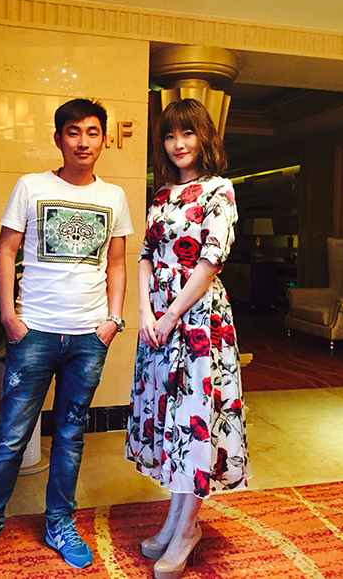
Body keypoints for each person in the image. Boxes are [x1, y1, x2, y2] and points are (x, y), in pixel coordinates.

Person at [0, 98, 133, 578]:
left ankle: (60, 523)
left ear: (104, 140)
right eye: (73, 132)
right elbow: (6, 250)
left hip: (88, 337)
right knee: (11, 437)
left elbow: (117, 262)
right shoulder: (31, 186)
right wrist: (9, 317)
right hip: (34, 332)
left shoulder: (114, 196)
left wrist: (113, 320)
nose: (83, 142)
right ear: (58, 139)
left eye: (92, 132)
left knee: (71, 436)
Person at [125, 99, 251, 579]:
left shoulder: (219, 190)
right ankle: (178, 520)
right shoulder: (162, 194)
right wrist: (145, 312)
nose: (178, 144)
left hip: (198, 321)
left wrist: (172, 314)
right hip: (158, 321)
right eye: (169, 135)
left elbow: (210, 261)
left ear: (204, 137)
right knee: (172, 421)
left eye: (187, 133)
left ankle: (185, 530)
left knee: (195, 419)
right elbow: (144, 255)